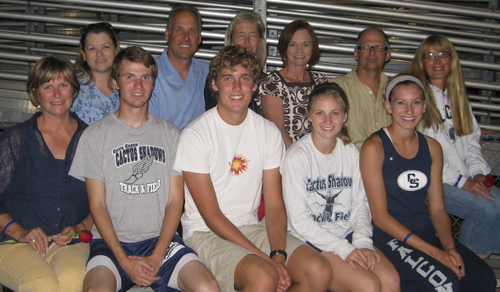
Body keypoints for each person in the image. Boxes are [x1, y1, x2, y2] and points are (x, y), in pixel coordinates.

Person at [174, 45, 331, 292]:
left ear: (255, 85)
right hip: (205, 233)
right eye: (228, 78)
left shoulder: (268, 132)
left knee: (318, 270)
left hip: (250, 227)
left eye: (244, 78)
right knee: (263, 277)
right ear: (214, 84)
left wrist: (278, 255)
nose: (237, 87)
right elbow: (212, 216)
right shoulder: (195, 135)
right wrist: (265, 258)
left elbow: (275, 204)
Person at [69, 46, 219, 292]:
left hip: (160, 242)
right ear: (116, 82)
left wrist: (158, 255)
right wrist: (124, 260)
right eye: (129, 77)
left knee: (208, 288)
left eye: (145, 77)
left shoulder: (172, 134)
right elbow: (97, 205)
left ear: (153, 83)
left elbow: (174, 201)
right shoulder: (94, 136)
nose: (138, 85)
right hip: (111, 243)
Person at [360, 74, 496, 291]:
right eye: (401, 103)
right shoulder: (374, 147)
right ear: (388, 106)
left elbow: (438, 209)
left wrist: (449, 248)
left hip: (425, 230)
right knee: (445, 284)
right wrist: (436, 253)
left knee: (482, 279)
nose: (409, 110)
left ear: (424, 106)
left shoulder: (432, 147)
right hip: (389, 236)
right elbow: (381, 218)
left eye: (416, 102)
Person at [281, 82, 400, 292]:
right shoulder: (297, 157)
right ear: (309, 115)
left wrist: (363, 242)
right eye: (320, 113)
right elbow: (299, 221)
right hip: (314, 240)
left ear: (345, 116)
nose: (327, 121)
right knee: (369, 286)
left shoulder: (351, 152)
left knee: (390, 280)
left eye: (335, 113)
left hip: (348, 234)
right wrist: (345, 250)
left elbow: (360, 204)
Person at [0, 55, 92, 291]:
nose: (57, 94)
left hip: (69, 242)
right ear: (35, 93)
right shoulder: (16, 138)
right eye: (47, 87)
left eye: (63, 85)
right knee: (42, 285)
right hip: (14, 242)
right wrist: (20, 232)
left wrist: (80, 227)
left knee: (73, 281)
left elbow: (104, 201)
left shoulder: (91, 139)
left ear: (73, 89)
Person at [409, 34, 500, 259]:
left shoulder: (457, 97)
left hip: (462, 177)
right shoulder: (416, 98)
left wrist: (478, 173)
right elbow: (422, 155)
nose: (437, 61)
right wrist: (462, 182)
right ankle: (469, 264)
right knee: (485, 210)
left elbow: (470, 142)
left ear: (452, 60)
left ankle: (481, 255)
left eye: (443, 54)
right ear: (421, 62)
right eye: (429, 56)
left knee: (498, 202)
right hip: (433, 181)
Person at [258, 19, 328, 149]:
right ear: (285, 48)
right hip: (288, 158)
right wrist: (299, 161)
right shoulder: (272, 83)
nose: (299, 50)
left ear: (312, 48)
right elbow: (278, 131)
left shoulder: (321, 82)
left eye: (305, 44)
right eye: (293, 44)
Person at [149, 5, 209, 129]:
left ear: (199, 38)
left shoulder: (209, 73)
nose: (186, 37)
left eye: (192, 31)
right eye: (179, 30)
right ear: (167, 35)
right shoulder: (149, 74)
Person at [332, 27, 392, 149]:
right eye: (365, 47)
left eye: (379, 48)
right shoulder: (337, 89)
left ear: (387, 55)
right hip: (350, 165)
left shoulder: (396, 91)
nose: (372, 52)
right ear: (356, 54)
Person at [205, 11, 266, 113]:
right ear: (231, 40)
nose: (247, 41)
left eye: (253, 36)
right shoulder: (216, 78)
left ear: (260, 42)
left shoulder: (268, 82)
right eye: (241, 36)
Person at [72, 22, 120, 125]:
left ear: (116, 50)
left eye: (105, 47)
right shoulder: (71, 87)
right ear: (84, 54)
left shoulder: (129, 86)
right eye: (92, 48)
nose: (99, 53)